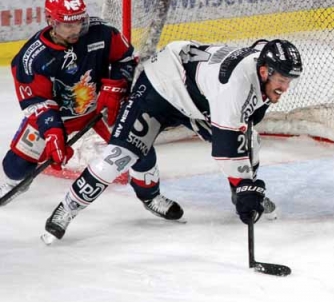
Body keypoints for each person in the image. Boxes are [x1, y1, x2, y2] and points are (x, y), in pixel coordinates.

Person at [40, 38, 303, 243]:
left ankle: (241, 195)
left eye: (289, 80)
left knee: (250, 141)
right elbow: (225, 150)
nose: (285, 87)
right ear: (264, 71)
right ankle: (67, 208)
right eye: (282, 80)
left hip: (194, 97)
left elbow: (260, 46)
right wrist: (245, 183)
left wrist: (245, 188)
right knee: (119, 156)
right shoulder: (234, 87)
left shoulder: (260, 63)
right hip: (160, 85)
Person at [0, 0, 134, 204]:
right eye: (68, 25)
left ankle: (150, 191)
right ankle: (9, 184)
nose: (76, 30)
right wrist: (53, 132)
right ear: (51, 21)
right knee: (16, 168)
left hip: (100, 109)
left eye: (79, 22)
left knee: (138, 145)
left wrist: (115, 87)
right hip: (57, 118)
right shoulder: (32, 58)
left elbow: (125, 59)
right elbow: (37, 102)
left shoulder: (101, 33)